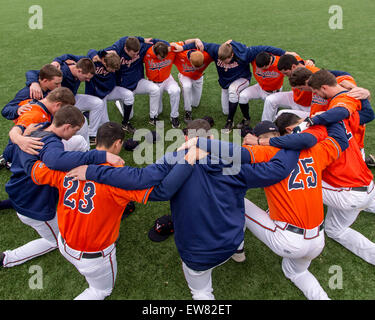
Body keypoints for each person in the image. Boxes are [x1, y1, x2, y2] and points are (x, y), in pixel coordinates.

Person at [67, 119, 300, 300]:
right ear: (210, 137)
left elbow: (142, 179)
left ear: (187, 138)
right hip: (230, 241)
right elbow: (277, 171)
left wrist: (91, 171)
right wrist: (295, 140)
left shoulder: (175, 160)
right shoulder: (233, 163)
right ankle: (239, 251)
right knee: (240, 205)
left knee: (202, 293)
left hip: (197, 254)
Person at [24, 121, 201, 300]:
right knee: (100, 291)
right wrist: (186, 158)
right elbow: (162, 190)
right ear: (117, 143)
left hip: (65, 241)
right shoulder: (119, 179)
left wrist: (22, 140)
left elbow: (33, 169)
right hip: (93, 255)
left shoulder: (67, 165)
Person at [238, 119, 348, 300]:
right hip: (318, 241)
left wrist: (246, 142)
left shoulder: (264, 150)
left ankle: (237, 247)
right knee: (296, 272)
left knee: (238, 200)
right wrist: (329, 116)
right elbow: (340, 140)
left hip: (288, 239)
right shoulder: (314, 150)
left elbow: (232, 159)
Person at [0, 106, 115, 269]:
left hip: (21, 190)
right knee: (53, 241)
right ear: (66, 126)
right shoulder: (51, 143)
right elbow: (55, 160)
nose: (73, 134)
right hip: (31, 203)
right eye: (74, 130)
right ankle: (7, 258)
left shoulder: (41, 126)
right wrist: (100, 155)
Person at [182, 39, 287, 132]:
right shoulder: (216, 49)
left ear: (232, 55)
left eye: (225, 60)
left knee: (234, 90)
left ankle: (230, 121)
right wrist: (185, 45)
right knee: (226, 110)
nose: (223, 62)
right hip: (225, 83)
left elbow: (264, 48)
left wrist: (284, 53)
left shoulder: (244, 54)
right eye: (221, 59)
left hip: (242, 79)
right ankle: (232, 115)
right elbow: (199, 44)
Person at [25, 57, 99, 146]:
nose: (88, 80)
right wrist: (34, 83)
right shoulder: (62, 71)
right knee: (81, 122)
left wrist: (58, 60)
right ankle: (82, 148)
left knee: (97, 103)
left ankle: (91, 136)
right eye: (86, 77)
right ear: (79, 71)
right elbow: (33, 72)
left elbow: (70, 55)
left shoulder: (80, 64)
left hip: (69, 99)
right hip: (61, 103)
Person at [102, 36, 166, 129]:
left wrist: (143, 40)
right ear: (125, 49)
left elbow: (158, 43)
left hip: (138, 82)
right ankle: (119, 102)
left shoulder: (141, 47)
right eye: (133, 53)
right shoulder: (116, 51)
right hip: (123, 87)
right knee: (129, 115)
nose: (136, 56)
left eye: (137, 53)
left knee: (155, 89)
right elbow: (97, 54)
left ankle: (153, 117)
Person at [261, 54, 320, 122]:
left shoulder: (313, 72)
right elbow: (290, 55)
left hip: (307, 107)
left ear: (293, 66)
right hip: (295, 98)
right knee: (270, 99)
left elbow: (329, 80)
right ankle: (264, 126)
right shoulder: (296, 62)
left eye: (286, 73)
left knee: (281, 114)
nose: (285, 76)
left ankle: (275, 130)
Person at [173, 39, 214, 122]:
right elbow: (167, 45)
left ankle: (186, 95)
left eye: (200, 66)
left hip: (198, 78)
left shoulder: (207, 55)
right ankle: (188, 112)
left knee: (195, 104)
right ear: (190, 60)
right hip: (185, 76)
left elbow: (219, 50)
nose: (198, 68)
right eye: (196, 66)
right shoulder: (181, 54)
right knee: (187, 87)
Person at [143, 41, 181, 128]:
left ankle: (174, 116)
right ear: (155, 53)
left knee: (176, 90)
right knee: (159, 111)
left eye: (165, 56)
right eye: (161, 57)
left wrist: (196, 40)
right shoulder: (146, 53)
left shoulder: (171, 48)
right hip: (154, 82)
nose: (163, 58)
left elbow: (185, 44)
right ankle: (153, 117)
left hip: (167, 78)